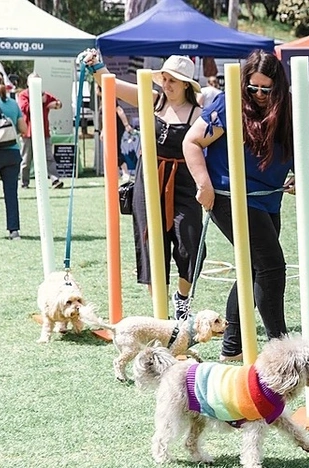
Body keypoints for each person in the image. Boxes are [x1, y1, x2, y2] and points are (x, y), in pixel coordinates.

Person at [183, 50, 295, 361]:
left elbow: (292, 146)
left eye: (265, 89)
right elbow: (191, 142)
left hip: (267, 197)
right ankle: (281, 350)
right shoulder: (227, 102)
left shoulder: (286, 107)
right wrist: (203, 184)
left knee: (253, 269)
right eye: (253, 88)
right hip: (228, 196)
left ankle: (232, 348)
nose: (258, 95)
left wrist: (297, 174)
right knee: (271, 267)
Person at [84, 51, 204, 319]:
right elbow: (109, 82)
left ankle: (182, 299)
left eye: (173, 80)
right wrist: (95, 65)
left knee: (191, 243)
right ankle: (160, 314)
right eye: (165, 78)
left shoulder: (198, 113)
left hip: (184, 181)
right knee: (150, 243)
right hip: (147, 180)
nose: (167, 84)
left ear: (186, 84)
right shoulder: (153, 99)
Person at [0, 73, 26, 240]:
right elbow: (24, 128)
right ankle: (14, 231)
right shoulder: (13, 103)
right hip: (12, 152)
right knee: (11, 193)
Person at [17, 75, 62, 189]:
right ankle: (24, 182)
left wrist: (55, 104)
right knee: (26, 159)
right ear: (28, 83)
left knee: (48, 157)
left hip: (44, 132)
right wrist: (40, 101)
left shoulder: (45, 95)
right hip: (28, 133)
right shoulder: (23, 95)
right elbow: (26, 109)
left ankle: (55, 179)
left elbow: (59, 103)